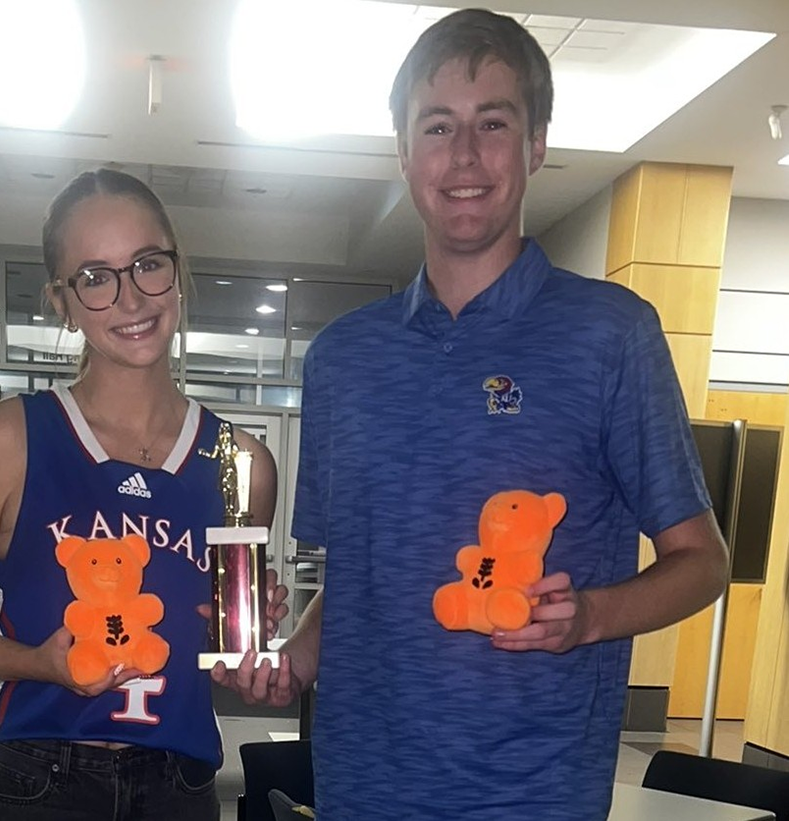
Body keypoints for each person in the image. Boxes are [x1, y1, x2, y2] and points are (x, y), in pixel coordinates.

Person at [214, 9, 729, 820]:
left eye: (493, 122)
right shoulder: (342, 359)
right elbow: (359, 574)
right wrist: (292, 661)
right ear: (402, 150)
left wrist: (590, 614)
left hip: (537, 789)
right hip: (362, 784)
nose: (463, 155)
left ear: (535, 144)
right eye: (437, 126)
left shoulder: (610, 334)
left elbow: (703, 560)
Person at [0, 168, 287, 820]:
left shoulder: (240, 462)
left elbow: (220, 654)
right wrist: (41, 663)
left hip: (179, 786)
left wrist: (246, 640)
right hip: (38, 778)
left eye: (147, 264)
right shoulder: (9, 439)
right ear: (62, 302)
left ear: (178, 273)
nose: (130, 298)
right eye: (96, 277)